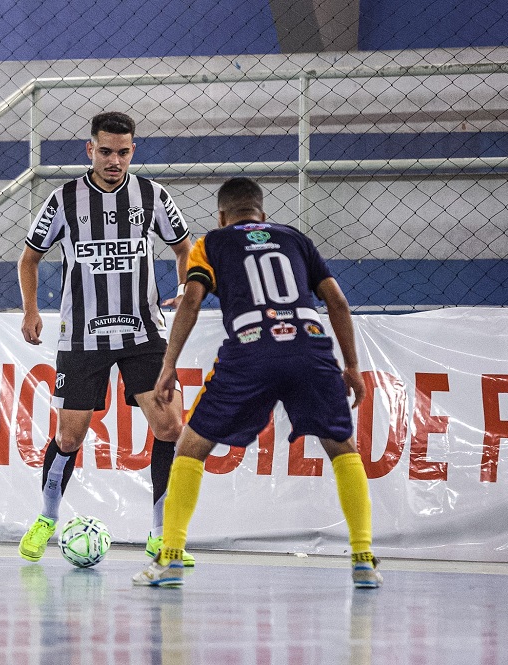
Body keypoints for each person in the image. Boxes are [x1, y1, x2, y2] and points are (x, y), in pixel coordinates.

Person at [132, 176, 381, 589]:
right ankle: (363, 559)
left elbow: (191, 300)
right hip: (309, 345)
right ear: (262, 214)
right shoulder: (295, 239)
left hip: (251, 347)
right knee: (342, 448)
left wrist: (168, 364)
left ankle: (171, 558)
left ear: (222, 216)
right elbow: (336, 301)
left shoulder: (211, 242)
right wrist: (352, 365)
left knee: (190, 448)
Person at [17, 111, 196, 566]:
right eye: (105, 151)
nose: (114, 160)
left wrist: (183, 290)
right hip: (81, 338)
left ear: (133, 150)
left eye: (123, 152)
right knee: (70, 437)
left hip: (143, 333)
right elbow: (29, 259)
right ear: (89, 150)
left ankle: (163, 536)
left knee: (171, 428)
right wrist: (32, 311)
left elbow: (183, 248)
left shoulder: (153, 196)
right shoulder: (63, 199)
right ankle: (46, 520)